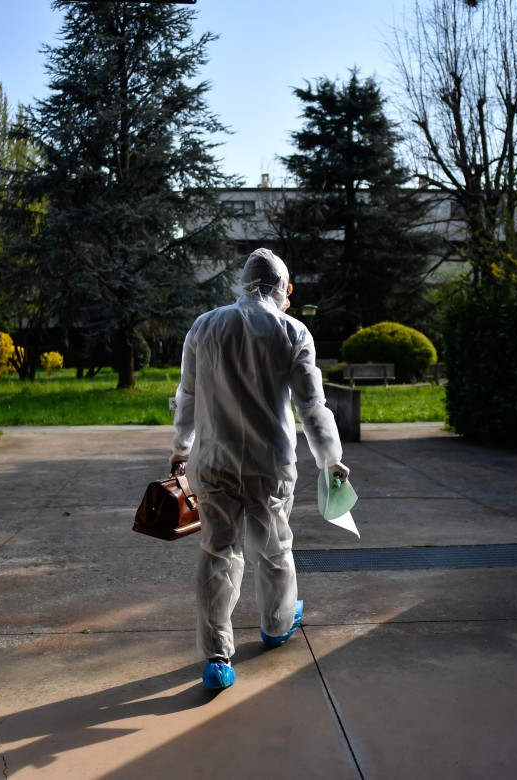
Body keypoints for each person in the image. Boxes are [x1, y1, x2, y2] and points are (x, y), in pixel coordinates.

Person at [170, 247, 349, 691]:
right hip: (270, 464)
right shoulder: (293, 332)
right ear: (283, 288)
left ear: (243, 282)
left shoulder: (205, 326)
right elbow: (312, 409)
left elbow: (187, 397)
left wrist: (180, 447)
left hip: (212, 462)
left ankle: (216, 657)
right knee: (273, 549)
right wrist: (331, 459)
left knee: (217, 553)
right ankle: (276, 624)